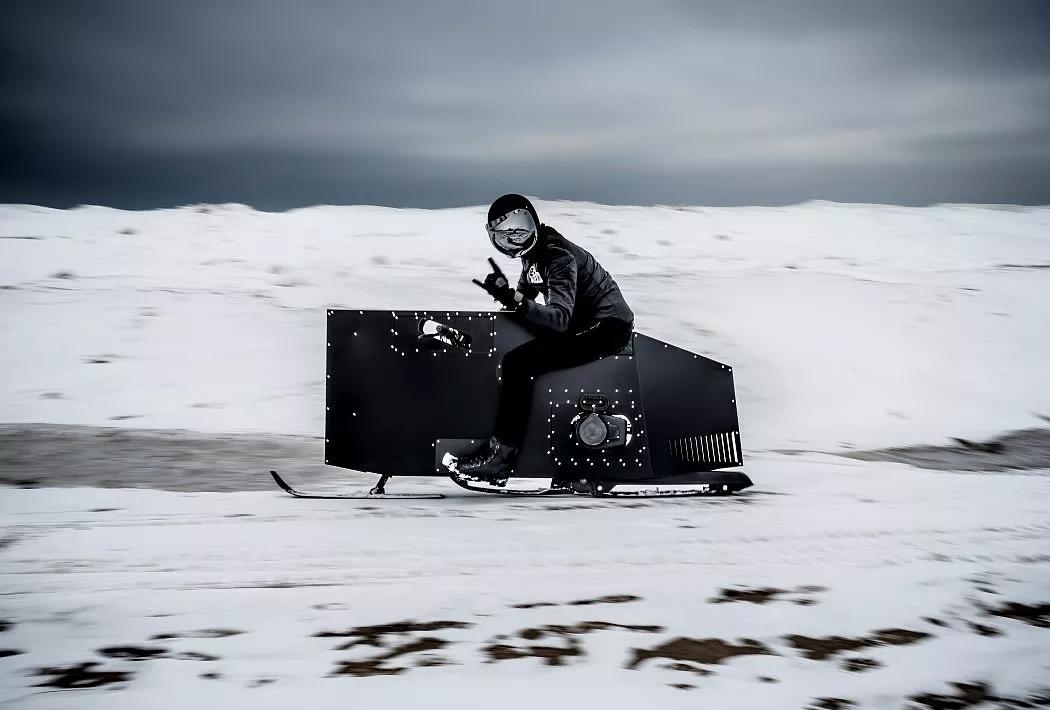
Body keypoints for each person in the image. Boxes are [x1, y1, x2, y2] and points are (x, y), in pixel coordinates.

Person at [451, 193, 635, 483]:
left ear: (534, 222)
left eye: (519, 229)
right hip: (583, 323)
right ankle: (495, 447)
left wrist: (516, 300)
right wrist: (505, 293)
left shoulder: (557, 256)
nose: (514, 240)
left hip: (607, 327)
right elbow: (527, 301)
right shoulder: (533, 258)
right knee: (515, 350)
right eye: (504, 236)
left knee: (518, 363)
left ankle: (501, 459)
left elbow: (558, 318)